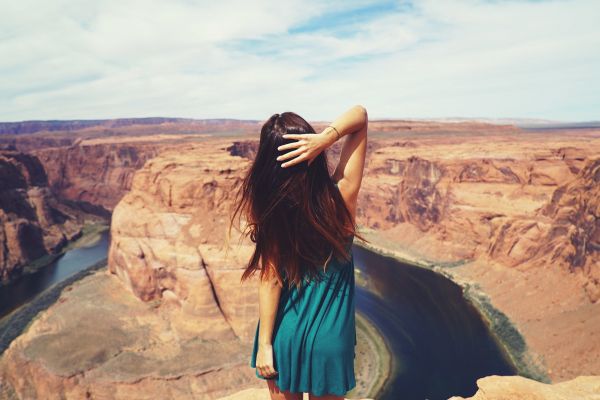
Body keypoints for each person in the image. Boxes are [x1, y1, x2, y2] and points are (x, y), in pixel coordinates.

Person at [230, 105, 369, 400]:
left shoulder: (273, 212)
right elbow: (360, 116)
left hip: (284, 333)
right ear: (312, 155)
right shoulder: (342, 199)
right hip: (330, 340)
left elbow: (270, 280)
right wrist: (325, 139)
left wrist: (265, 344)